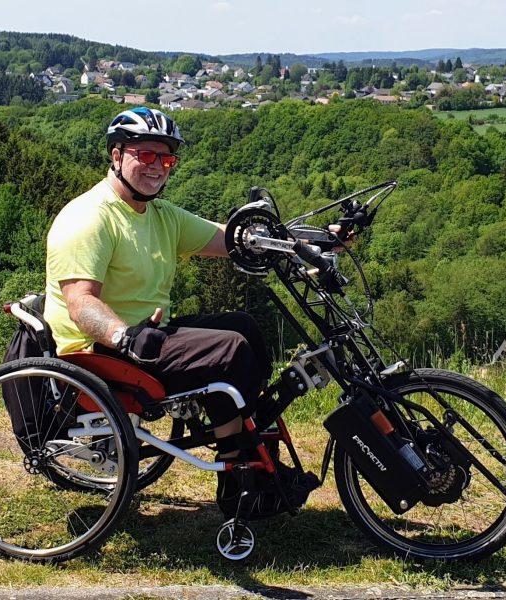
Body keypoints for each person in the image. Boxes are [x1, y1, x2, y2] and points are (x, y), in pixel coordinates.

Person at [44, 106, 319, 515]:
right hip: (102, 351)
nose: (158, 167)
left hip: (143, 337)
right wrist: (124, 335)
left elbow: (236, 240)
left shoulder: (160, 215)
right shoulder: (89, 218)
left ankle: (248, 439)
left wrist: (321, 239)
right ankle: (239, 481)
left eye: (167, 158)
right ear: (116, 155)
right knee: (229, 351)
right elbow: (82, 303)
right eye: (146, 155)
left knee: (244, 328)